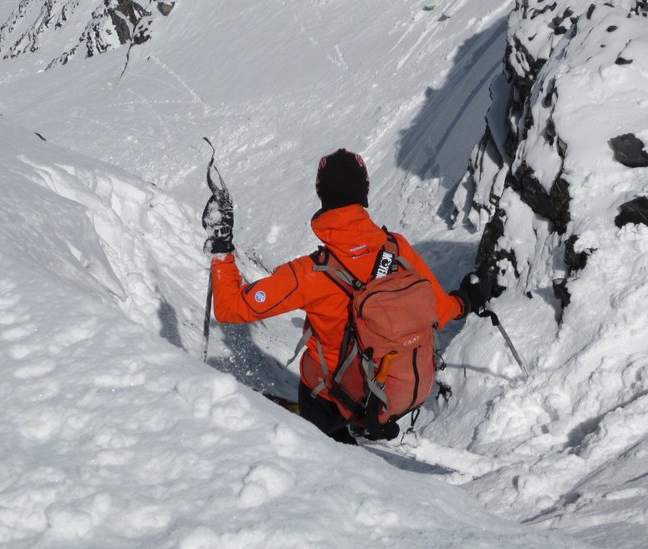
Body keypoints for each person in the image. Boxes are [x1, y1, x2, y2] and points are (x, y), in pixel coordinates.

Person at [203, 148, 490, 444]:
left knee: (318, 392)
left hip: (331, 399)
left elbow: (231, 308)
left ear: (320, 193)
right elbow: (439, 311)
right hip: (385, 391)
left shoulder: (310, 273)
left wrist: (221, 247)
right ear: (365, 190)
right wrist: (467, 299)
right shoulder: (397, 249)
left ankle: (327, 436)